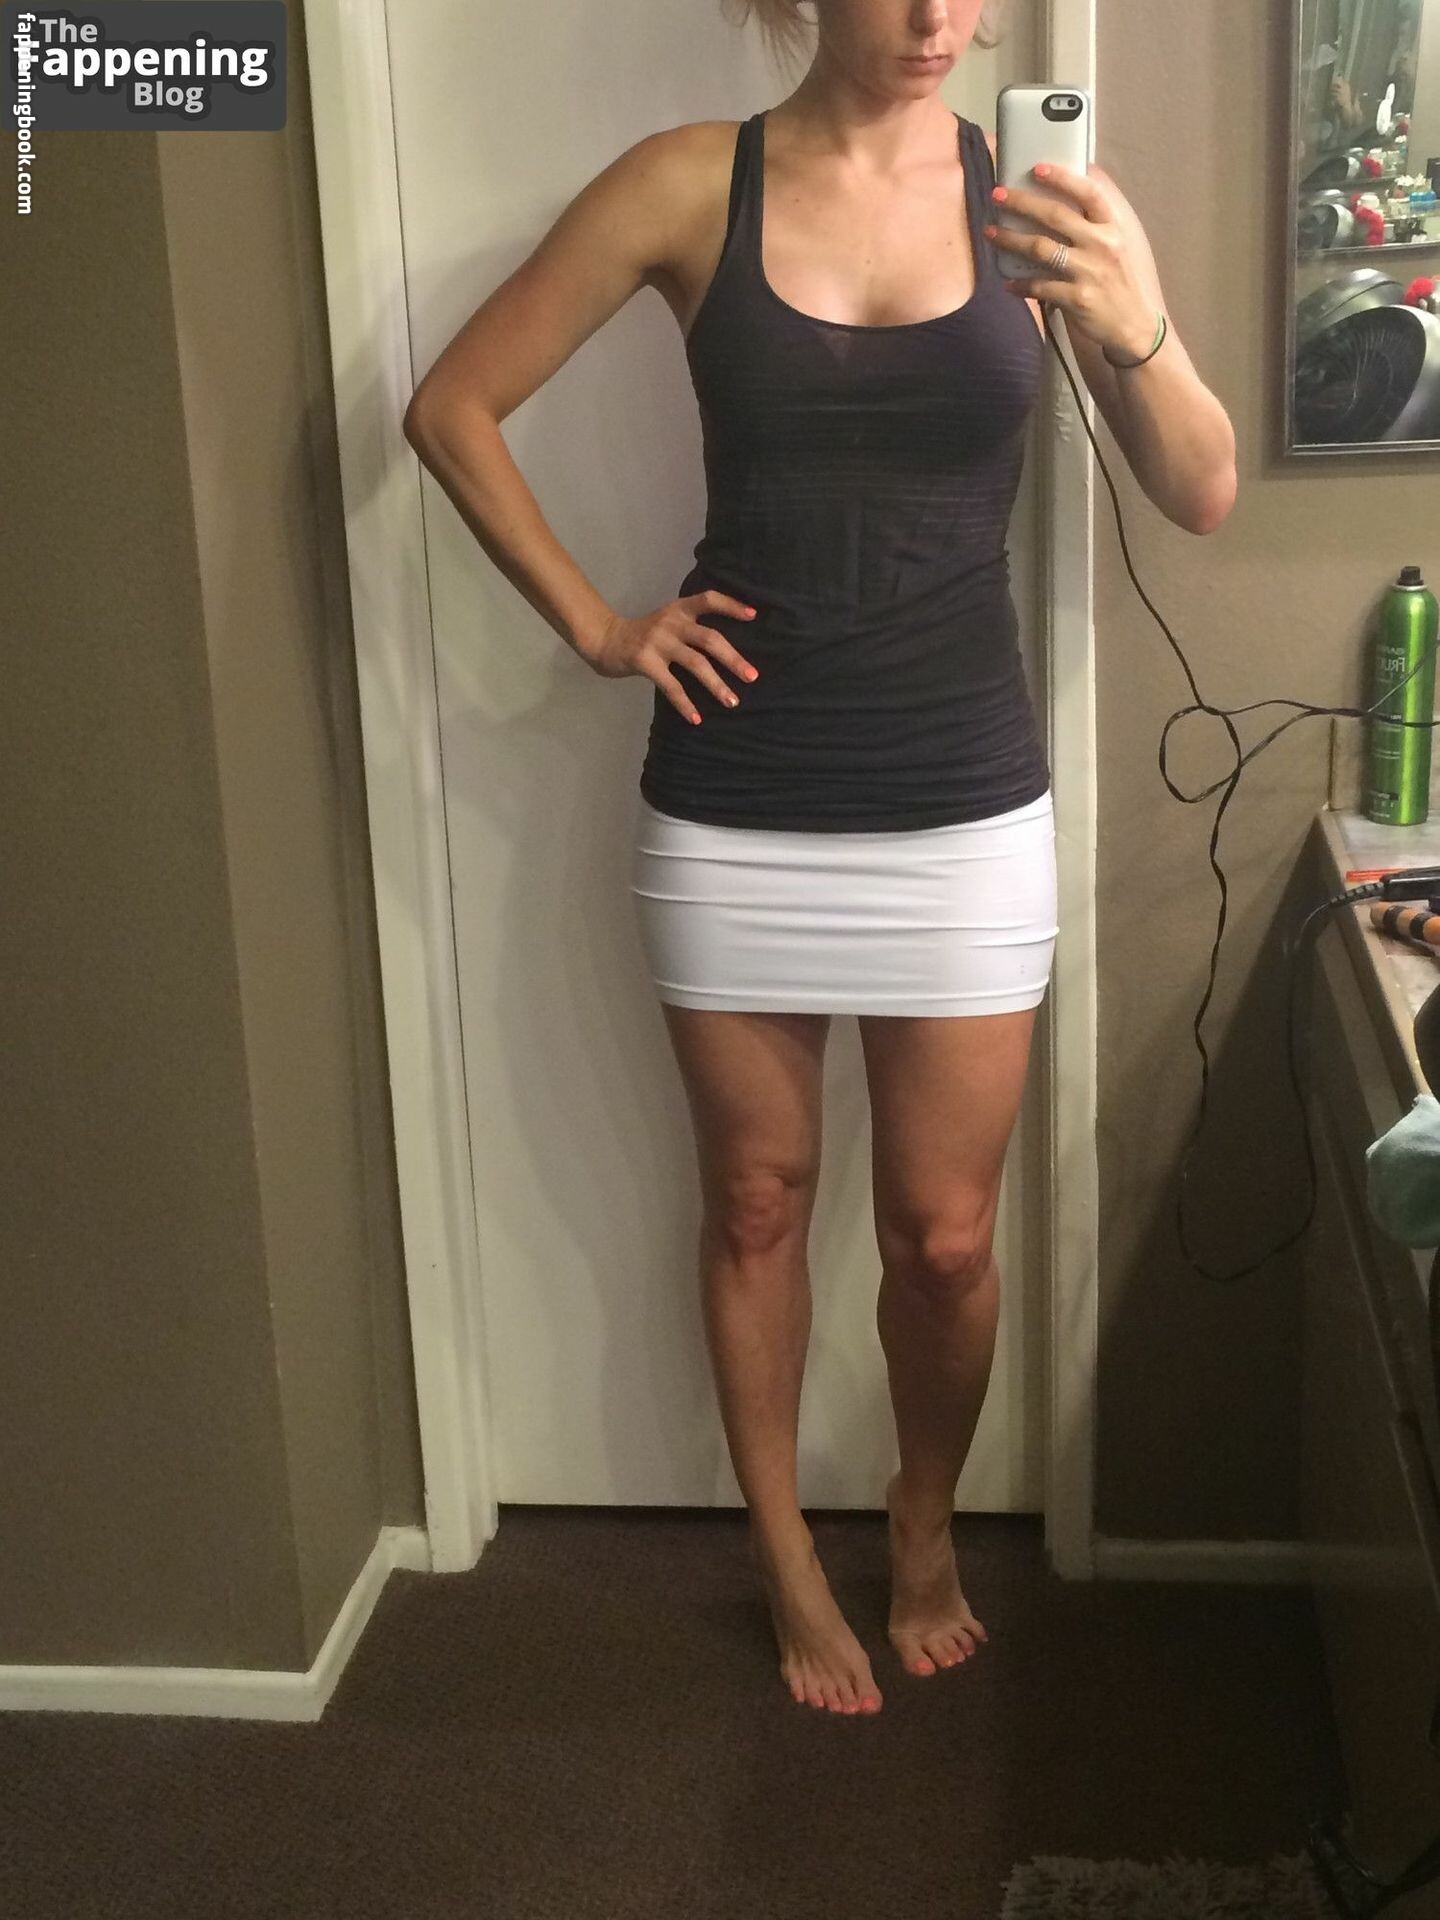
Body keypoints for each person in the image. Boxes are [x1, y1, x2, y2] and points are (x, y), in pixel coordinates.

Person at [403, 0, 1236, 1718]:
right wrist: (600, 627)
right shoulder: (682, 185)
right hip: (736, 800)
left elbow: (1205, 490)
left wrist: (1133, 323)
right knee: (758, 1201)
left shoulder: (1044, 200)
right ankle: (785, 1554)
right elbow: (453, 407)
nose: (941, 18)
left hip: (962, 809)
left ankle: (922, 1520)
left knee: (944, 1240)